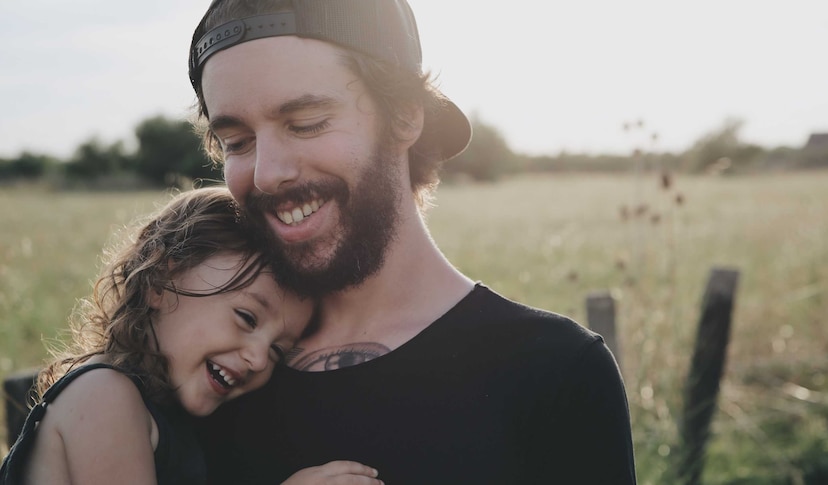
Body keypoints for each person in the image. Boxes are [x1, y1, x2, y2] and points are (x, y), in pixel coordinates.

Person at [189, 1, 638, 483]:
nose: (267, 173)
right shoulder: (211, 368)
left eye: (306, 123)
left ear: (404, 117)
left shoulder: (554, 371)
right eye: (237, 142)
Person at [0, 187, 383, 485]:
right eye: (247, 317)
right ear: (161, 280)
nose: (258, 358)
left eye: (277, 352)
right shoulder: (104, 394)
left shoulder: (163, 414)